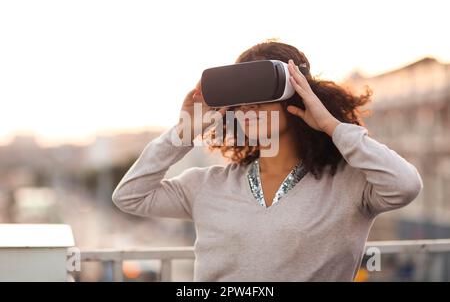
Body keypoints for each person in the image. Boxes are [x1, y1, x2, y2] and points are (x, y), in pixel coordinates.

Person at [112, 40, 423, 281]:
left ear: (298, 98)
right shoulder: (206, 186)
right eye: (240, 100)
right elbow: (129, 196)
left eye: (261, 98)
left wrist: (332, 126)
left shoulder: (348, 184)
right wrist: (182, 132)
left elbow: (405, 185)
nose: (249, 109)